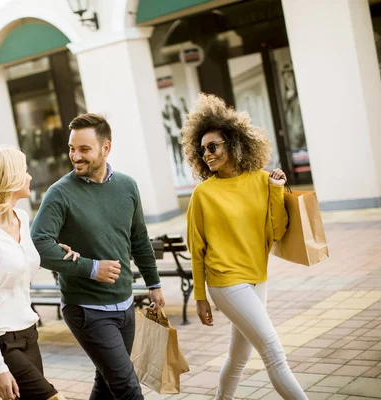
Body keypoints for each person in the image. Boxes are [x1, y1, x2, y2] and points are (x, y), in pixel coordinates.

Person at [31, 113, 166, 400]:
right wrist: (91, 268)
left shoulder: (127, 186)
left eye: (84, 149)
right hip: (86, 309)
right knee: (128, 387)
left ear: (106, 148)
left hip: (125, 304)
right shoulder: (59, 194)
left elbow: (139, 238)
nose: (75, 156)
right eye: (71, 148)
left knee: (106, 384)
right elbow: (39, 244)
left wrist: (154, 284)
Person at [181, 94, 307, 400]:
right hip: (226, 282)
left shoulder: (261, 181)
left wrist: (276, 192)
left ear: (234, 143)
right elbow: (196, 249)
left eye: (213, 146)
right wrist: (200, 297)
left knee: (238, 358)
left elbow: (276, 232)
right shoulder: (203, 194)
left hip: (257, 277)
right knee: (273, 352)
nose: (207, 154)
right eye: (202, 150)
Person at [0, 147, 72, 400]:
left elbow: (23, 261)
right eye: (23, 170)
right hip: (1, 342)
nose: (30, 176)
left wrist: (55, 250)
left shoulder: (21, 218)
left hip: (29, 333)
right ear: (8, 177)